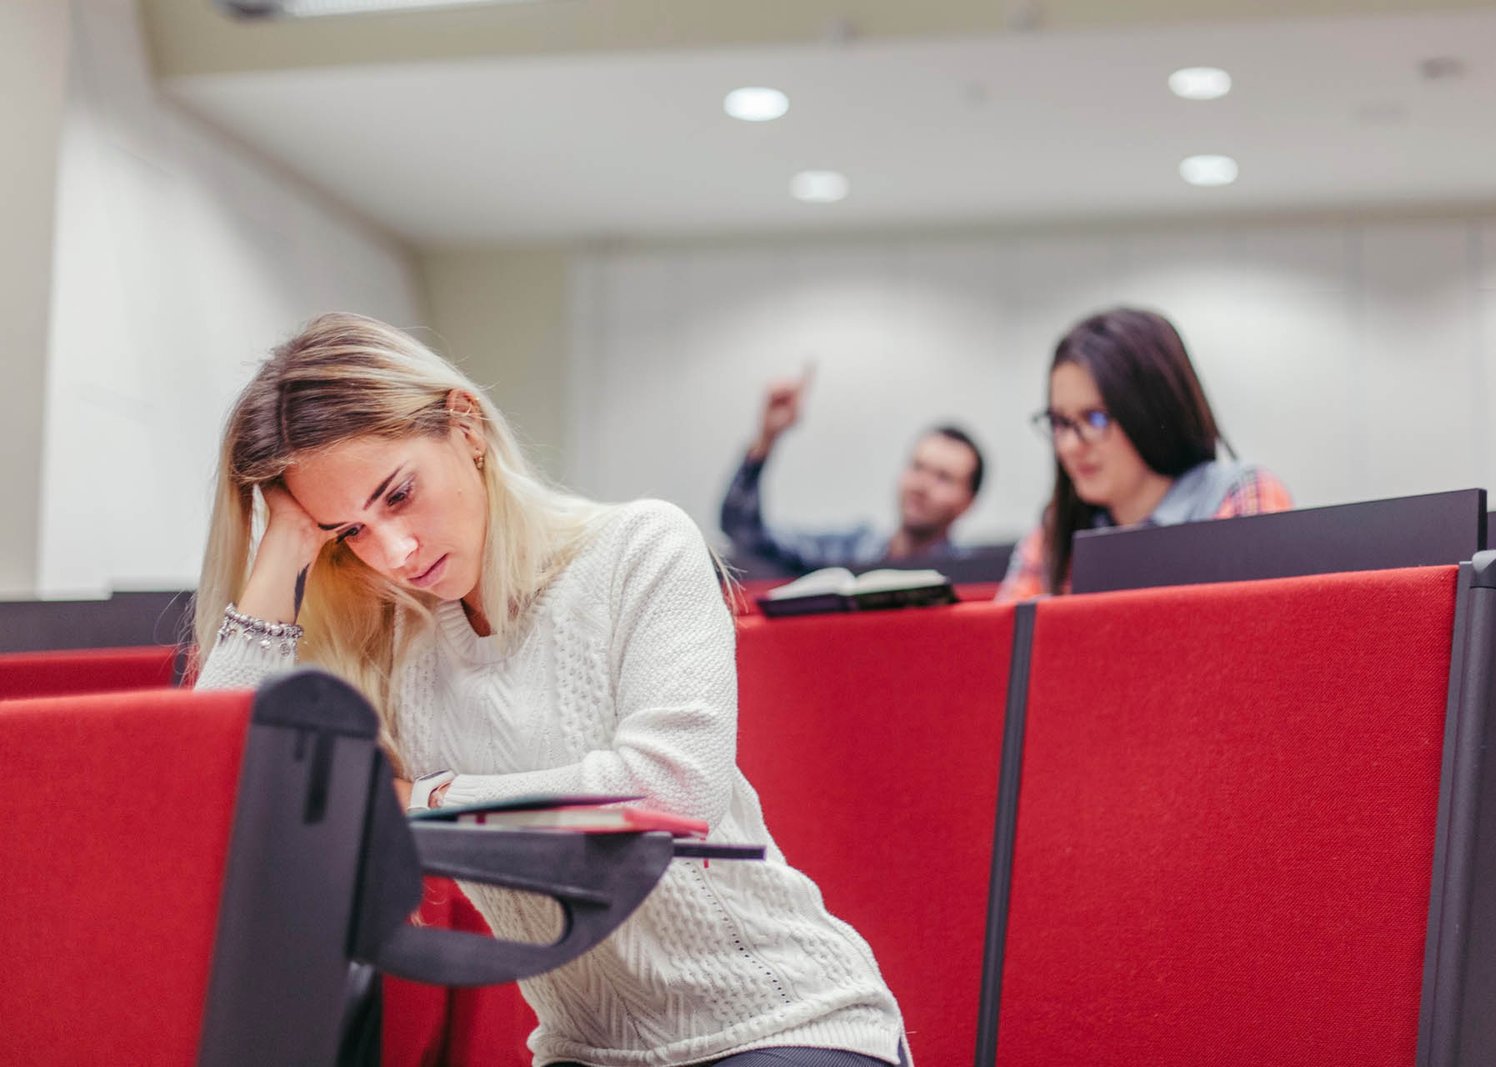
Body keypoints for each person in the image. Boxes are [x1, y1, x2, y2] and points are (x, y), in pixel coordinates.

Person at [191, 313, 911, 1067]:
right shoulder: (388, 637)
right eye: (349, 531)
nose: (393, 552)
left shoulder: (639, 548)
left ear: (464, 425)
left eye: (398, 495)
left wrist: (427, 797)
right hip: (588, 1048)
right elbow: (211, 794)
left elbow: (669, 793)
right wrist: (282, 548)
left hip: (780, 1018)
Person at [997, 307, 1292, 600]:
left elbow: (1257, 632)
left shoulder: (1240, 493)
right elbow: (1006, 641)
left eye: (1096, 418)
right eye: (1061, 422)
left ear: (1150, 411)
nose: (1070, 446)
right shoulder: (1057, 528)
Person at [720, 370, 984, 577]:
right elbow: (743, 532)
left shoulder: (972, 575)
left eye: (943, 478)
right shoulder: (849, 551)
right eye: (917, 467)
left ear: (967, 503)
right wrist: (767, 439)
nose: (921, 485)